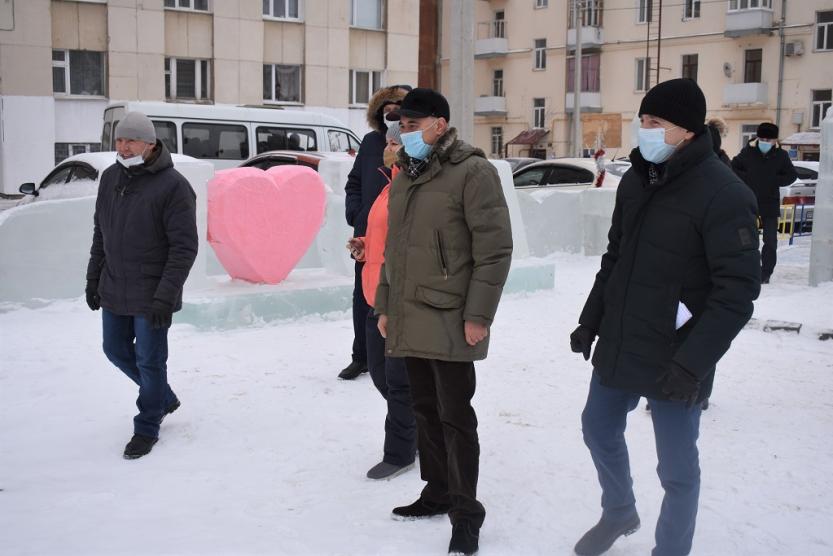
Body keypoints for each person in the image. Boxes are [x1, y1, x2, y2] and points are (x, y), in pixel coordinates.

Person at [569, 79, 761, 556]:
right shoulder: (637, 179)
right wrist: (590, 319)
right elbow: (615, 258)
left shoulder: (725, 194)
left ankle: (671, 550)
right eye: (644, 120)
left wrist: (691, 365)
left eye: (656, 123)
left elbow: (736, 293)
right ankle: (619, 511)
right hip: (621, 338)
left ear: (687, 131)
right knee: (597, 428)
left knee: (676, 470)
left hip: (678, 356)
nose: (644, 129)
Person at [375, 88, 513, 556]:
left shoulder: (473, 171)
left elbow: (493, 251)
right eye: (401, 127)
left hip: (452, 315)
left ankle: (466, 514)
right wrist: (385, 305)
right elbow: (395, 249)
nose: (404, 134)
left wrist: (478, 314)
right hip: (410, 313)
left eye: (412, 126)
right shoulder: (407, 175)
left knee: (456, 419)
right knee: (424, 411)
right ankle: (435, 491)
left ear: (438, 124)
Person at [86, 111, 198, 460]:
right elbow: (100, 232)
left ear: (149, 144)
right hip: (115, 285)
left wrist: (165, 296)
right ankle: (162, 396)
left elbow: (184, 248)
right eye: (119, 140)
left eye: (131, 140)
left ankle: (148, 424)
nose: (123, 146)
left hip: (152, 293)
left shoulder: (174, 186)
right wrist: (93, 277)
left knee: (150, 361)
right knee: (115, 350)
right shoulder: (110, 177)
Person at [346, 122, 417, 480]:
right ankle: (418, 428)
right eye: (388, 142)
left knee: (398, 381)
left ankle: (401, 451)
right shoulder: (389, 186)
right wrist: (364, 247)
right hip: (374, 293)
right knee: (379, 375)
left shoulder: (410, 189)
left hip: (397, 300)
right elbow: (383, 238)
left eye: (392, 143)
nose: (387, 147)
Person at [341, 85, 411, 380]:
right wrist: (357, 214)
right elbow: (354, 182)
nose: (391, 111)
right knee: (363, 296)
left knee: (395, 296)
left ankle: (393, 354)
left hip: (400, 238)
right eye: (386, 106)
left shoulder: (413, 145)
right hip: (367, 237)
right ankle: (363, 356)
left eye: (398, 106)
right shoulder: (370, 142)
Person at [731, 122, 798, 284]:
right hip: (748, 202)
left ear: (775, 140)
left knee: (770, 241)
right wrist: (747, 179)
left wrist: (774, 180)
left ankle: (766, 272)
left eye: (770, 140)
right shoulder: (748, 152)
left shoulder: (780, 156)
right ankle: (746, 268)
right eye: (763, 139)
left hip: (770, 203)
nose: (766, 142)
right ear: (758, 138)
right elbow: (733, 168)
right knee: (746, 239)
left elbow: (791, 175)